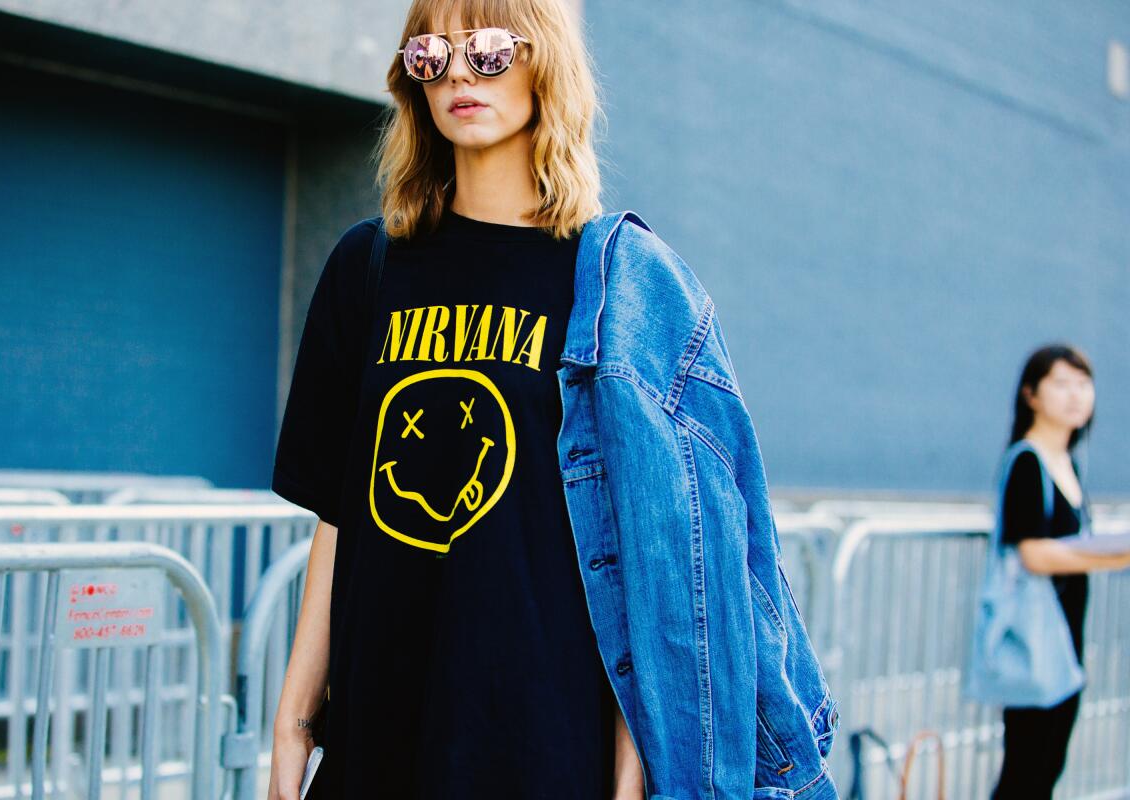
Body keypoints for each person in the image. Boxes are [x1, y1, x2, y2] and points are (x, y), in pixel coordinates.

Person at [267, 0, 838, 797]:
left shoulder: (617, 288)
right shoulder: (366, 268)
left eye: (491, 48)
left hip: (544, 739)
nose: (460, 71)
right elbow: (338, 513)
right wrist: (292, 721)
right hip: (379, 732)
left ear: (547, 66)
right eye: (432, 53)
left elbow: (657, 552)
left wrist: (634, 764)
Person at [991, 344, 1130, 799]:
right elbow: (1033, 555)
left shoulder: (1068, 463)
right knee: (1026, 773)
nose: (1076, 395)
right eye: (1062, 383)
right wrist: (1111, 555)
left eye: (1084, 384)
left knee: (1046, 767)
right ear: (1031, 394)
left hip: (1064, 641)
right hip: (1033, 642)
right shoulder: (1028, 462)